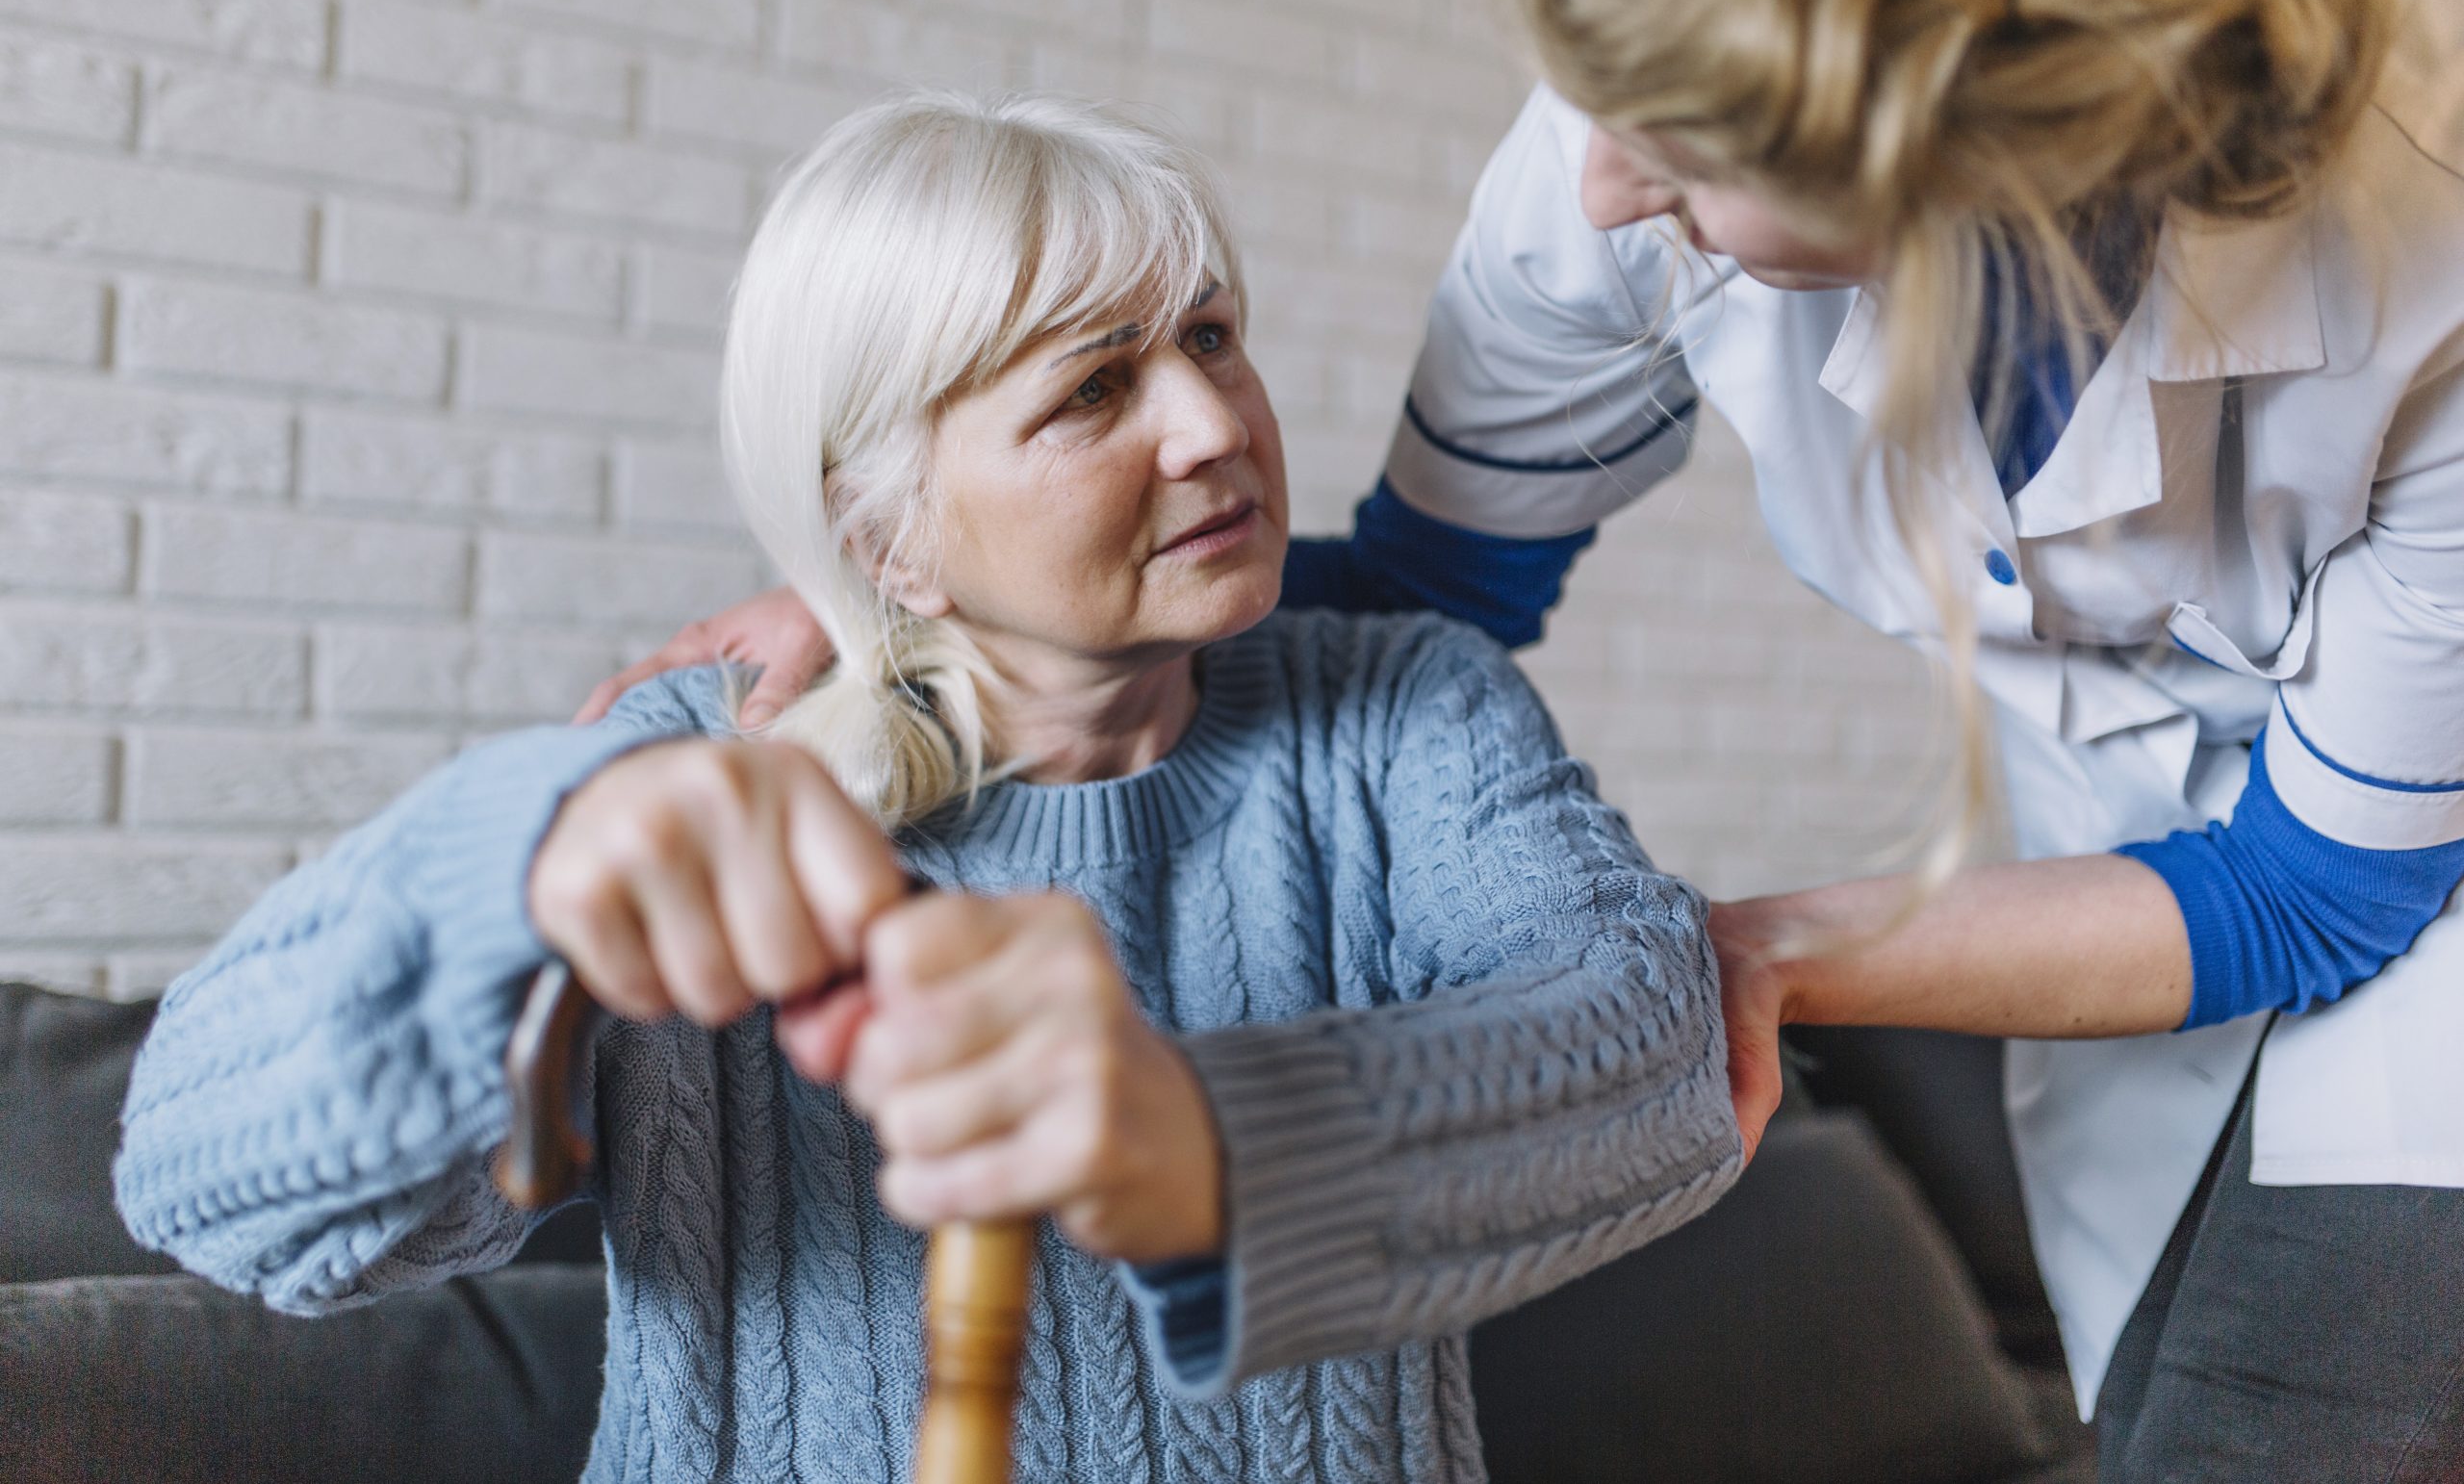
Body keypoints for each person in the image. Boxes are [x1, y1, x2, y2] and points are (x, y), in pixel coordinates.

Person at [589, 0, 2464, 1474]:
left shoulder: (2426, 198)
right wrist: (912, 625)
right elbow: (1419, 586)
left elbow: (2314, 883)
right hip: (2146, 857)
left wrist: (1732, 956)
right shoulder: (1614, 123)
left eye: (1672, 155)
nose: (1597, 187)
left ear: (1931, 140)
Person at [112, 92, 1739, 1484]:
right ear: (886, 537)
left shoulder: (1401, 712)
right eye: (1093, 390)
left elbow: (1657, 1045)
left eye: (1213, 338)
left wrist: (1195, 1136)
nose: (1211, 423)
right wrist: (503, 876)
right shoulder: (694, 773)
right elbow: (205, 1190)